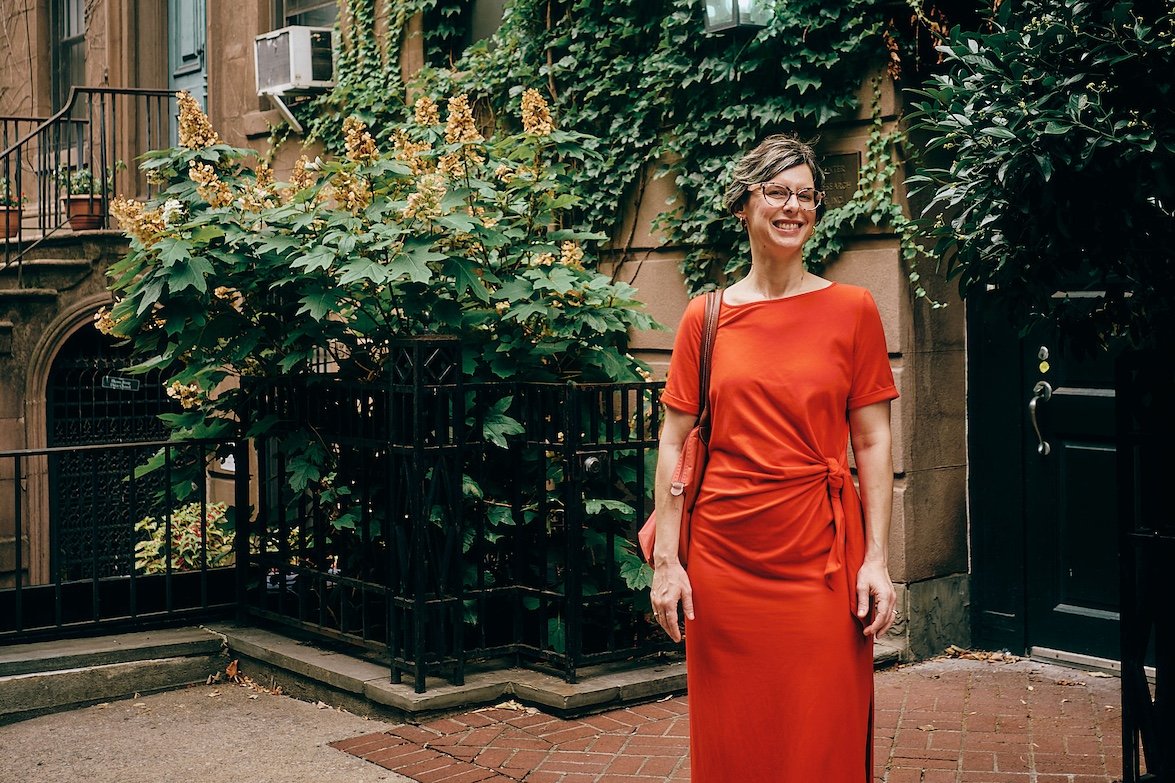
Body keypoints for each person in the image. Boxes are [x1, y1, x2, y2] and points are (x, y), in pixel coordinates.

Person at [649, 134, 899, 782]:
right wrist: (667, 564)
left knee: (823, 732)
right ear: (743, 204)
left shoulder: (853, 311)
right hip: (724, 567)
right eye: (777, 192)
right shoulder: (703, 319)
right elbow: (674, 443)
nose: (793, 207)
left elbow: (872, 441)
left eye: (806, 195)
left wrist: (876, 559)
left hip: (821, 561)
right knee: (736, 742)